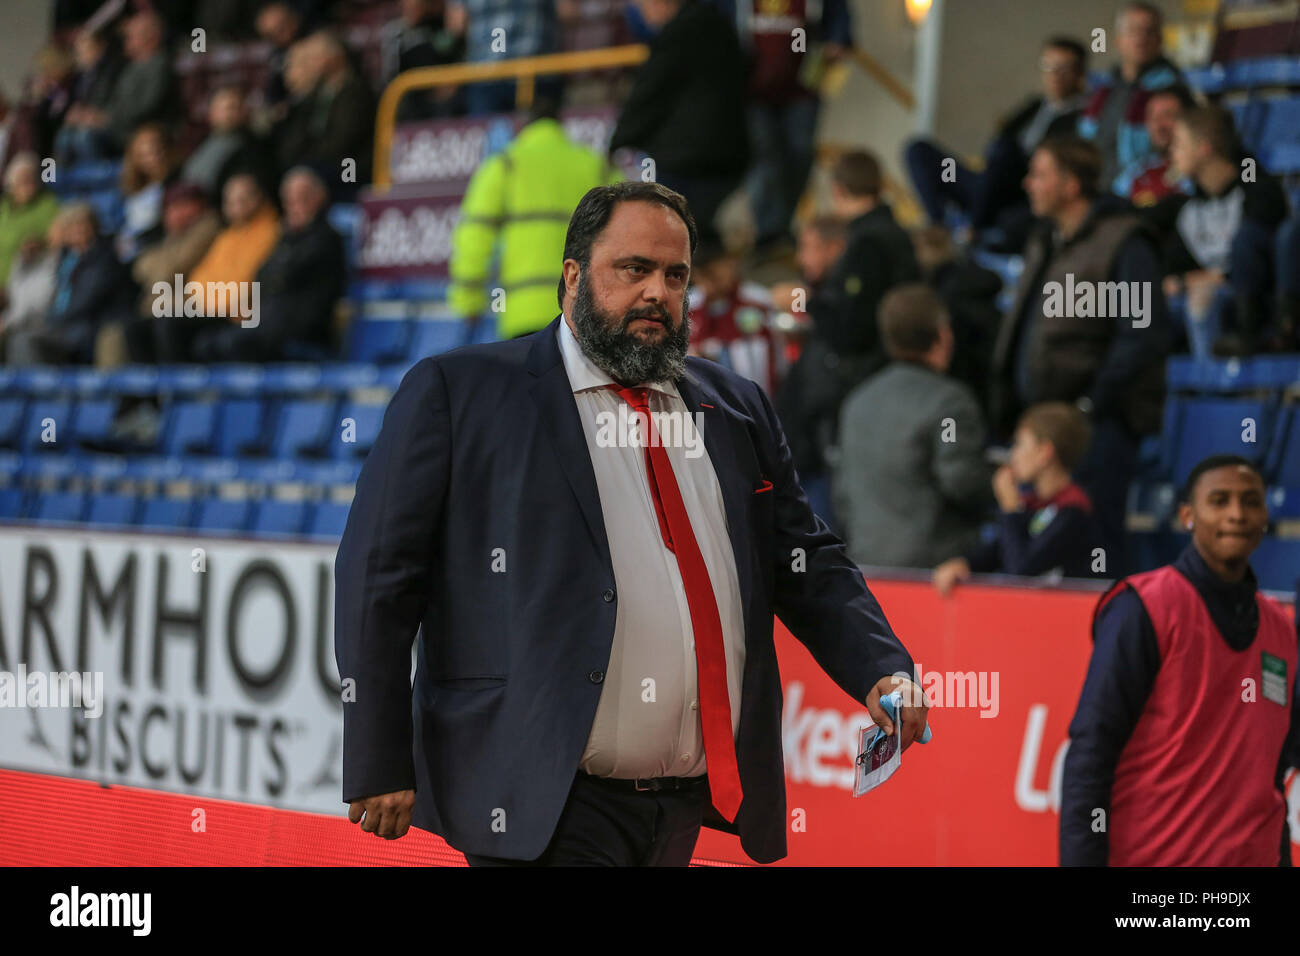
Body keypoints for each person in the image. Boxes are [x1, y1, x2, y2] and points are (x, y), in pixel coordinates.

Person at [334, 181, 930, 866]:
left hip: (680, 805)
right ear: (573, 276)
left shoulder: (736, 407)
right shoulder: (461, 391)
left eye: (675, 275)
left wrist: (881, 668)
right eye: (634, 269)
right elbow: (378, 574)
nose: (658, 292)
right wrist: (378, 755)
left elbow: (805, 558)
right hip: (540, 797)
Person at [1060, 455, 1298, 866]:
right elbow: (1091, 752)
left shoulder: (1281, 629)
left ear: (1265, 515)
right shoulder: (1143, 607)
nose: (1237, 514)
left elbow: (1272, 776)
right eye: (1219, 501)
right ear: (1188, 515)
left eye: (1250, 501)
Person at [990, 135, 1171, 575]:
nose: (1028, 184)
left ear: (1070, 185)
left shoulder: (1124, 243)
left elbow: (1142, 336)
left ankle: (1114, 639)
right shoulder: (1045, 240)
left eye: (1040, 174)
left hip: (1099, 427)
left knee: (1098, 550)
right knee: (1047, 552)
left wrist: (1089, 406)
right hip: (1046, 423)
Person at [774, 150, 919, 530]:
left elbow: (849, 329)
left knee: (826, 518)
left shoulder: (869, 244)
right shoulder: (891, 236)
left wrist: (805, 300)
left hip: (850, 397)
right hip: (862, 395)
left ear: (837, 190)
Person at [835, 283, 991, 571]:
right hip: (936, 570)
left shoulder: (857, 401)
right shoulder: (950, 402)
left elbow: (843, 493)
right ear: (943, 335)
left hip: (866, 563)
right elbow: (961, 480)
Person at [447, 97, 622, 339]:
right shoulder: (595, 165)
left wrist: (469, 302)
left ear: (524, 126)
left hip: (523, 313)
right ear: (560, 125)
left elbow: (474, 238)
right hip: (584, 315)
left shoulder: (506, 165)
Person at [904, 36, 1087, 246]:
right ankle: (938, 226)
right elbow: (998, 136)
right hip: (988, 185)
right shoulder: (1035, 105)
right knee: (918, 150)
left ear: (1079, 73)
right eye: (1049, 66)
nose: (1055, 75)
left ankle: (973, 228)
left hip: (1022, 194)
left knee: (1005, 152)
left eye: (1063, 68)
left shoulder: (1084, 117)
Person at [1144, 105, 1290, 357]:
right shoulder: (1189, 209)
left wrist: (1197, 280)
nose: (1172, 151)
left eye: (1179, 143)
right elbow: (1173, 274)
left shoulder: (1255, 185)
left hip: (1260, 301)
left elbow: (1254, 181)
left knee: (1203, 302)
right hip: (1208, 301)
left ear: (1204, 148)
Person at [713, 0, 852, 257]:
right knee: (764, 156)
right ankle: (768, 233)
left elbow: (839, 20)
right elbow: (714, 20)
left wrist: (838, 40)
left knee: (799, 154)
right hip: (750, 91)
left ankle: (782, 227)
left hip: (803, 90)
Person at [608, 0, 750, 247]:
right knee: (698, 234)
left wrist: (618, 141)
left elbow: (649, 95)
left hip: (686, 161)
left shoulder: (677, 34)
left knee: (670, 239)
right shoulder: (720, 25)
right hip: (730, 157)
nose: (640, 11)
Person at [933, 401, 1098, 595]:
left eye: (1019, 444)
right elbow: (1000, 549)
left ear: (1044, 453)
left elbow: (1021, 572)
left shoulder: (1074, 511)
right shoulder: (1032, 504)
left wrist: (1010, 508)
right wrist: (964, 564)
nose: (1013, 455)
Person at [200, 167, 345, 362]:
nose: (295, 205)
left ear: (320, 198)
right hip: (270, 325)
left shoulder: (326, 238)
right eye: (289, 200)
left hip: (303, 331)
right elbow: (262, 276)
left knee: (234, 343)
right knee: (206, 343)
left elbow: (286, 276)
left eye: (303, 198)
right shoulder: (286, 239)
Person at [155, 173, 280, 361]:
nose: (235, 206)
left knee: (171, 324)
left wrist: (207, 301)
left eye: (242, 199)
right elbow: (199, 279)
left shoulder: (271, 234)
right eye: (230, 201)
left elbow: (244, 284)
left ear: (258, 199)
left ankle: (182, 389)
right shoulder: (227, 237)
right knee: (143, 327)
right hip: (211, 308)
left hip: (236, 314)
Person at [109, 181, 221, 365]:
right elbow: (139, 267)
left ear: (199, 205)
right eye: (171, 207)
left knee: (164, 326)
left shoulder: (208, 227)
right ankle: (147, 392)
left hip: (193, 305)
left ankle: (175, 391)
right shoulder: (171, 236)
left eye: (183, 205)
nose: (176, 213)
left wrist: (158, 268)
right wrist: (159, 267)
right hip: (162, 306)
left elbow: (169, 272)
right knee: (127, 329)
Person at [1078, 1, 1184, 188]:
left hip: (1141, 188)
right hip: (1094, 185)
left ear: (1160, 39)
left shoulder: (1173, 89)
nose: (1141, 39)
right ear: (1118, 39)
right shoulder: (1104, 89)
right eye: (1134, 31)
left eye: (1149, 31)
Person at [55, 10, 175, 159]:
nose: (126, 41)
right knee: (66, 135)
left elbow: (146, 107)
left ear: (152, 38)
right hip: (114, 124)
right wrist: (90, 115)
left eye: (131, 36)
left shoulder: (160, 66)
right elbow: (114, 99)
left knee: (84, 136)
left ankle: (83, 180)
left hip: (133, 130)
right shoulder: (130, 66)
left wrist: (107, 118)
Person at [26, 202, 131, 364]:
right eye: (72, 226)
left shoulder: (104, 256)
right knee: (24, 338)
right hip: (64, 321)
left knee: (31, 341)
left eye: (82, 224)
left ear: (93, 226)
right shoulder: (66, 257)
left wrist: (55, 320)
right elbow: (56, 292)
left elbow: (87, 299)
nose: (78, 230)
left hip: (90, 323)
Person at [273, 31, 376, 193]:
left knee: (304, 180)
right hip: (323, 163)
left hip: (351, 166)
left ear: (335, 57)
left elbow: (345, 141)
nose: (311, 64)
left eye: (315, 57)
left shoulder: (356, 91)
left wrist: (311, 160)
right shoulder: (318, 94)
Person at [685, 240, 785, 396]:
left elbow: (780, 358)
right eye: (705, 275)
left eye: (715, 273)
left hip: (759, 405)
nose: (711, 282)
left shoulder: (759, 302)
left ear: (730, 263)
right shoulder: (687, 308)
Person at [181, 86, 276, 203]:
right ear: (212, 113)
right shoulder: (201, 142)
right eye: (228, 108)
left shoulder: (254, 147)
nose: (233, 113)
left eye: (238, 107)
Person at [380, 0, 466, 121]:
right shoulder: (395, 33)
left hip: (446, 94)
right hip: (412, 96)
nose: (413, 8)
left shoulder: (437, 27)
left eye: (417, 5)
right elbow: (392, 76)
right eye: (409, 6)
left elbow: (452, 55)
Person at [1111, 85, 1193, 207]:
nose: (1158, 125)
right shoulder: (1136, 171)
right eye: (1152, 117)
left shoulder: (1196, 170)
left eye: (1168, 115)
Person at [114, 123, 177, 263]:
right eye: (144, 155)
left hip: (155, 248)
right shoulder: (134, 189)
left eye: (156, 151)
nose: (153, 159)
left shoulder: (174, 182)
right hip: (130, 252)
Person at [0, 152, 60, 289]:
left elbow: (56, 242)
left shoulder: (48, 205)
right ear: (10, 183)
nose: (29, 184)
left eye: (32, 178)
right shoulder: (3, 205)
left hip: (23, 283)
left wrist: (41, 245)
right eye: (22, 179)